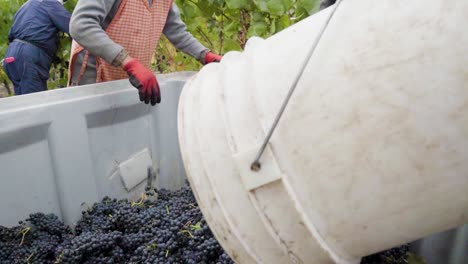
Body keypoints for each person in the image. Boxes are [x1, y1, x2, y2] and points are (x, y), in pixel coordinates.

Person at [69, 0, 223, 105]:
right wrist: (128, 61)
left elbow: (176, 31)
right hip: (95, 73)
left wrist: (205, 55)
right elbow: (80, 24)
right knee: (94, 132)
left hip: (130, 73)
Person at [2, 0, 71, 95]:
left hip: (12, 56)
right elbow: (73, 27)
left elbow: (11, 35)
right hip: (28, 56)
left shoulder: (25, 6)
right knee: (35, 102)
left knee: (22, 102)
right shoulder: (50, 3)